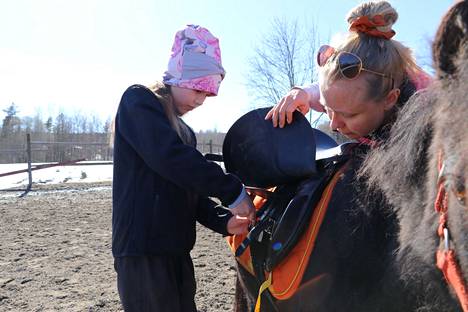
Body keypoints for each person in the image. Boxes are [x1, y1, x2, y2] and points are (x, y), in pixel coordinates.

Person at [260, 1, 433, 310]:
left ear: (391, 100)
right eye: (329, 110)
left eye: (348, 115)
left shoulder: (426, 107)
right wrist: (307, 94)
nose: (335, 124)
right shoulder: (360, 84)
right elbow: (338, 91)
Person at [112, 24, 255, 312]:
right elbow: (170, 159)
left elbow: (187, 188)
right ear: (178, 75)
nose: (201, 100)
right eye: (197, 89)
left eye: (208, 94)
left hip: (176, 251)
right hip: (143, 253)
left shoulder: (184, 131)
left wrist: (222, 221)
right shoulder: (138, 102)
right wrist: (231, 190)